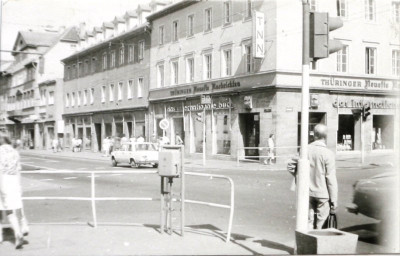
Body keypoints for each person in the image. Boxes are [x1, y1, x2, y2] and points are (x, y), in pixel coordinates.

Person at [0, 132, 29, 249]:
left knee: (2, 210)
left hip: (2, 181)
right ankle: (17, 233)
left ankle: (1, 236)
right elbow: (18, 170)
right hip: (14, 182)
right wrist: (19, 185)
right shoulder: (14, 152)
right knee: (10, 210)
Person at [307, 124, 338, 229]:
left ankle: (307, 242)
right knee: (321, 225)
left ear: (314, 135)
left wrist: (300, 177)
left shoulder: (305, 150)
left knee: (308, 222)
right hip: (323, 194)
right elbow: (331, 178)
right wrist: (334, 200)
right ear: (325, 137)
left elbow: (291, 165)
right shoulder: (328, 154)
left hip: (307, 192)